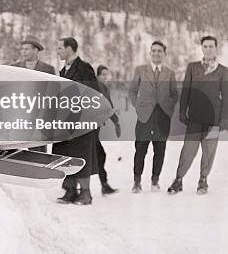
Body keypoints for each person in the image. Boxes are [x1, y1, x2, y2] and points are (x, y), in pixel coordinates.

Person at [168, 36, 228, 195]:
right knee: (188, 149)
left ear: (216, 48)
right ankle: (178, 179)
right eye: (205, 46)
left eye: (211, 46)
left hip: (213, 119)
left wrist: (224, 119)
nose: (208, 49)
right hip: (195, 116)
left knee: (209, 151)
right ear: (202, 48)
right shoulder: (193, 68)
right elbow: (186, 90)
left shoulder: (223, 71)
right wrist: (182, 111)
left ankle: (203, 180)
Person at [53, 37, 98, 206]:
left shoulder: (84, 68)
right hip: (66, 121)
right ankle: (70, 191)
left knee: (82, 155)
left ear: (70, 48)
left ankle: (86, 193)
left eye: (60, 48)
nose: (58, 51)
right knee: (66, 153)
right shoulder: (64, 70)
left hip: (82, 120)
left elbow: (93, 93)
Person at [128, 41, 179, 193]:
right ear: (150, 53)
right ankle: (137, 182)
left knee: (160, 150)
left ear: (164, 54)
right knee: (140, 150)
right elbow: (132, 91)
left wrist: (168, 108)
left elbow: (174, 94)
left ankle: (155, 181)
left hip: (162, 117)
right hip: (145, 116)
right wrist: (138, 106)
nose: (156, 53)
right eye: (154, 51)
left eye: (160, 51)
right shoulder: (140, 70)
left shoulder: (169, 73)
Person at [12, 35, 55, 153]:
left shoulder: (48, 69)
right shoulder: (14, 68)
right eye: (22, 49)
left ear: (36, 50)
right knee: (13, 145)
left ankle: (40, 168)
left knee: (38, 147)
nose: (23, 52)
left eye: (27, 49)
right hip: (18, 112)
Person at [95, 65, 121, 195]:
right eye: (103, 75)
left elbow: (109, 106)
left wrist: (116, 122)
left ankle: (104, 185)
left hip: (96, 127)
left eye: (107, 75)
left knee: (97, 155)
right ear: (98, 75)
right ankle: (71, 185)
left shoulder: (105, 88)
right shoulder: (94, 87)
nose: (106, 77)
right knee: (98, 155)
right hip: (89, 127)